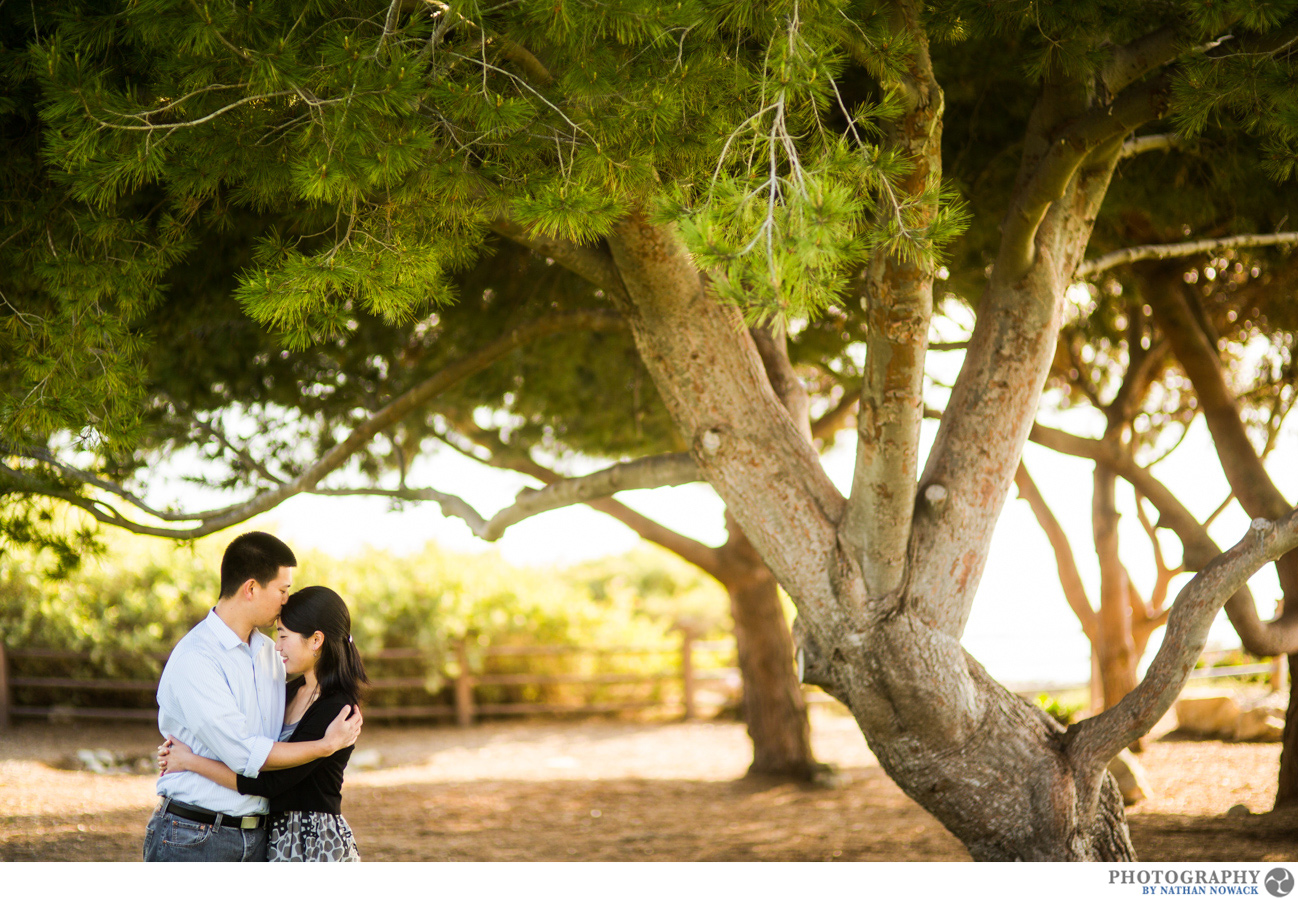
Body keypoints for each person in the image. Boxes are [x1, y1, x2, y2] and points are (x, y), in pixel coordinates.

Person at [144, 532, 363, 862]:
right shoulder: (198, 658)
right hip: (197, 836)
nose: (287, 600)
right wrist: (324, 746)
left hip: (261, 839)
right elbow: (246, 755)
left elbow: (272, 760)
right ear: (251, 588)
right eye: (282, 590)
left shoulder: (270, 656)